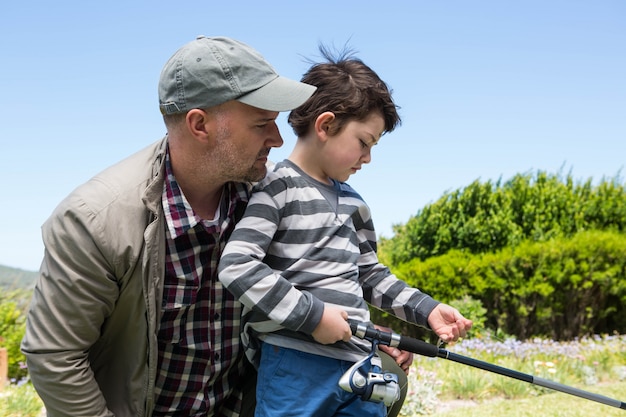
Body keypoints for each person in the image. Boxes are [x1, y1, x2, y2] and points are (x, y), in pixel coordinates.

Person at [20, 36, 411, 417]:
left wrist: (359, 329)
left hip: (244, 401)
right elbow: (55, 356)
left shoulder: (272, 191)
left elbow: (308, 278)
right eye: (261, 124)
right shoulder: (94, 220)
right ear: (200, 124)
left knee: (386, 379)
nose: (277, 139)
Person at [218, 46, 473, 417]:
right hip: (294, 365)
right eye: (364, 143)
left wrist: (427, 310)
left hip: (360, 363)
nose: (367, 158)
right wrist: (315, 317)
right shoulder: (276, 187)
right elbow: (238, 265)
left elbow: (371, 275)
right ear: (325, 125)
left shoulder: (355, 203)